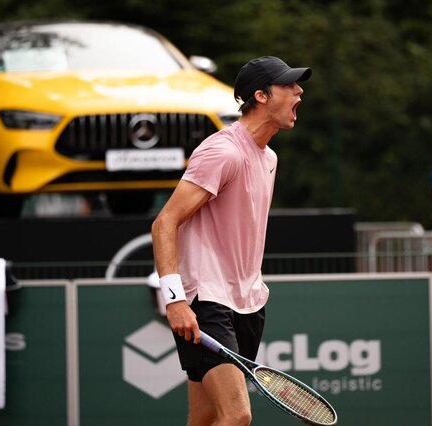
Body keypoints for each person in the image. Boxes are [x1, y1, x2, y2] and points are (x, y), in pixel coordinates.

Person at [151, 56, 311, 425]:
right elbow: (165, 223)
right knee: (237, 416)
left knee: (206, 416)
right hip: (207, 300)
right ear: (261, 96)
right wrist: (175, 300)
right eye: (289, 85)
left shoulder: (269, 158)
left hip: (248, 303)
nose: (299, 91)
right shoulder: (222, 151)